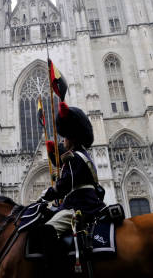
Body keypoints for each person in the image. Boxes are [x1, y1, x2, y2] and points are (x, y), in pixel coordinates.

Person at [39, 101, 106, 236]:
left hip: (79, 206)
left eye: (65, 138)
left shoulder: (74, 157)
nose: (63, 141)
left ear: (72, 139)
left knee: (46, 231)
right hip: (88, 202)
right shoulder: (82, 155)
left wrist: (48, 193)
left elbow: (66, 184)